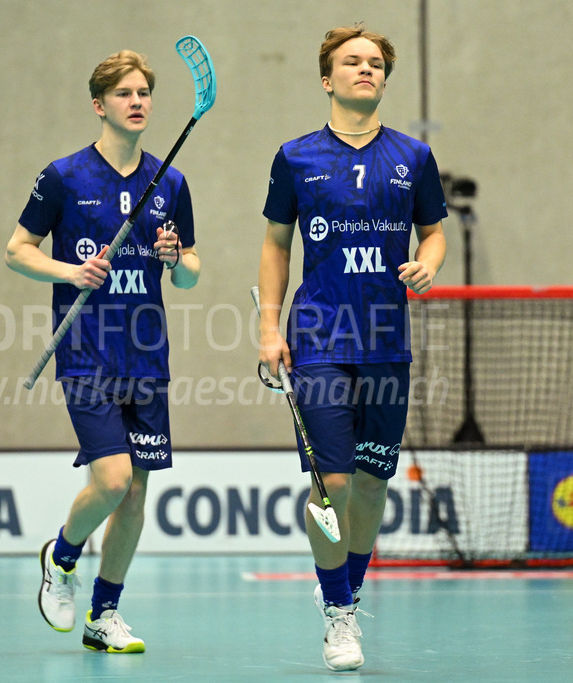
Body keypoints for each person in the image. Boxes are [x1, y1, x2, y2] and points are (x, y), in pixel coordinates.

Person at [256, 24, 447, 671]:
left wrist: (428, 261)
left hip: (388, 342)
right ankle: (340, 617)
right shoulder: (296, 157)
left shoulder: (414, 157)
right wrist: (268, 326)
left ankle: (346, 587)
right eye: (352, 61)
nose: (365, 70)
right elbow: (277, 243)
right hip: (318, 339)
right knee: (332, 479)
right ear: (326, 77)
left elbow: (435, 232)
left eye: (375, 63)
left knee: (370, 485)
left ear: (384, 79)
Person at [6, 48, 201, 654]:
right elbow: (17, 250)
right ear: (100, 105)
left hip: (147, 354)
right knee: (113, 480)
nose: (138, 102)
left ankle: (104, 614)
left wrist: (177, 261)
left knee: (138, 492)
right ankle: (61, 554)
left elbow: (191, 272)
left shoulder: (170, 181)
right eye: (125, 94)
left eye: (144, 92)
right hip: (87, 351)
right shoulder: (63, 176)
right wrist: (70, 271)